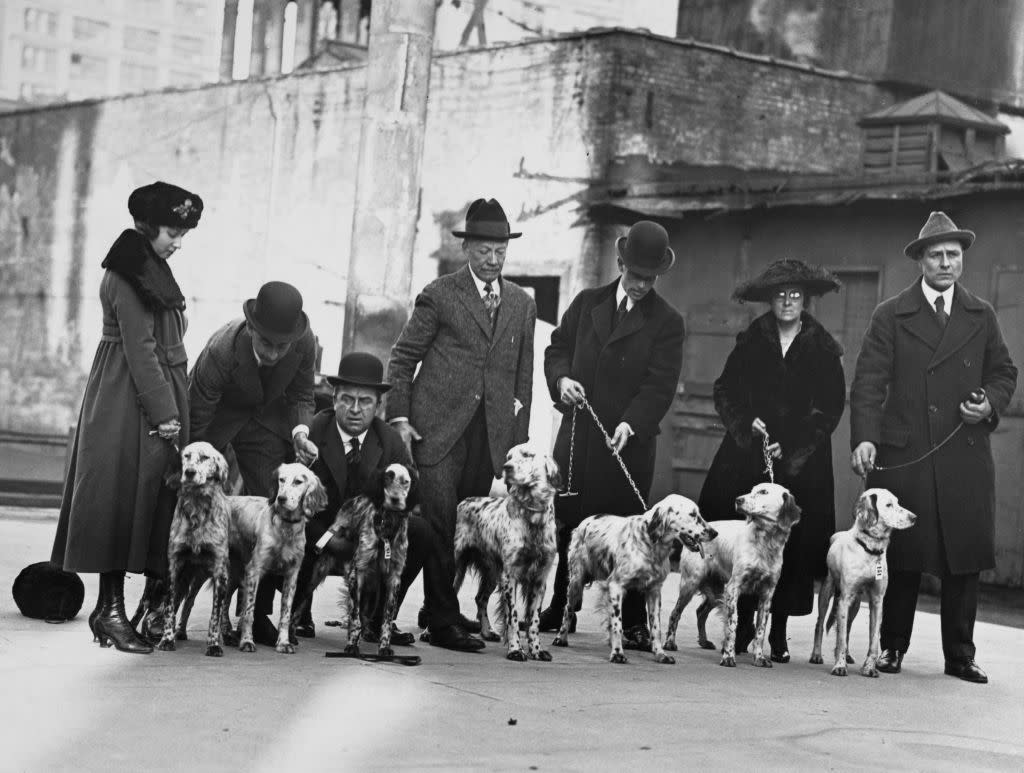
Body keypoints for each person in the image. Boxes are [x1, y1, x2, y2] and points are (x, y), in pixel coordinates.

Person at [851, 211, 1017, 684]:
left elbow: (1004, 373)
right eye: (937, 255)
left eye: (954, 255)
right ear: (920, 261)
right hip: (907, 452)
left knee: (964, 557)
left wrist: (988, 406)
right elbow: (868, 382)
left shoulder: (981, 315)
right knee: (901, 556)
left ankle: (960, 655)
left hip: (963, 451)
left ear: (962, 260)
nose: (946, 263)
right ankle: (890, 647)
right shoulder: (891, 314)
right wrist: (864, 436)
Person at [51, 181, 203, 653]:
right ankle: (109, 611)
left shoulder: (150, 267)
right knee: (117, 501)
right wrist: (166, 415)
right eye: (173, 231)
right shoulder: (129, 272)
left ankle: (123, 611)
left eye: (183, 233)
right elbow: (139, 349)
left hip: (150, 394)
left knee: (148, 505)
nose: (178, 242)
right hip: (129, 399)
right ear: (147, 225)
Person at [387, 197, 537, 652]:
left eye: (500, 252)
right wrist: (400, 418)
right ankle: (444, 622)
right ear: (467, 248)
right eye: (483, 251)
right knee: (437, 524)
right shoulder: (440, 294)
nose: (492, 260)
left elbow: (523, 380)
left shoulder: (521, 304)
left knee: (461, 531)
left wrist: (517, 447)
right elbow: (402, 358)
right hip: (437, 432)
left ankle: (426, 612)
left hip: (488, 439)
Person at [541, 220, 684, 650]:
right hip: (579, 439)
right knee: (570, 525)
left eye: (650, 278)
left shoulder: (667, 322)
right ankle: (561, 604)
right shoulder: (587, 304)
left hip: (628, 444)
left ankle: (636, 621)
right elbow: (557, 349)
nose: (641, 285)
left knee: (631, 533)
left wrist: (631, 422)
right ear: (620, 263)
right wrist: (563, 380)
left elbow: (659, 384)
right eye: (635, 275)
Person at [699, 259, 846, 661]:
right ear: (770, 300)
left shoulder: (823, 347)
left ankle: (777, 631)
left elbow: (831, 406)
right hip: (749, 457)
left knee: (792, 547)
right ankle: (743, 625)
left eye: (795, 295)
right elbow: (724, 390)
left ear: (806, 301)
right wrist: (746, 424)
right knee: (746, 542)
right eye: (780, 295)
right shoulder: (751, 341)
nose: (787, 302)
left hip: (803, 462)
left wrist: (794, 442)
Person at [188, 280, 319, 645]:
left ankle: (254, 612)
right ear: (251, 329)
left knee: (273, 512)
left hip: (265, 423)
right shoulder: (222, 350)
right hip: (215, 421)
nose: (275, 353)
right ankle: (160, 603)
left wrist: (299, 434)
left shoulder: (305, 342)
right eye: (266, 343)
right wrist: (196, 472)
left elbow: (302, 393)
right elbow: (197, 420)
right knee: (193, 505)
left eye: (283, 345)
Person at [294, 351, 435, 646]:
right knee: (288, 527)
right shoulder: (314, 433)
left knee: (420, 531)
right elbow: (293, 506)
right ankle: (298, 607)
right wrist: (329, 541)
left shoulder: (390, 441)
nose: (355, 409)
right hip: (319, 540)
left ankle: (378, 617)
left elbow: (406, 502)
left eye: (365, 401)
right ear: (334, 400)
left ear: (379, 406)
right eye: (347, 399)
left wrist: (375, 541)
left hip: (373, 542)